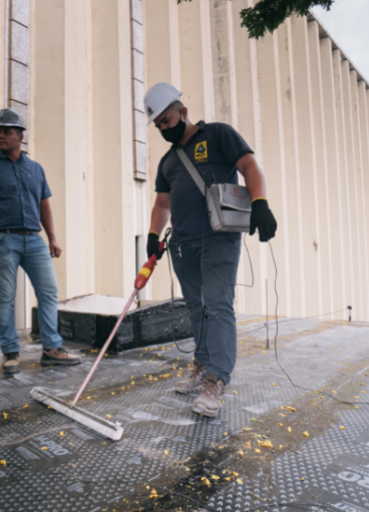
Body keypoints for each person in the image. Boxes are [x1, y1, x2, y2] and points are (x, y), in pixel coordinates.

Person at [144, 83, 277, 417]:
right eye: (158, 124)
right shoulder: (167, 161)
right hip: (183, 245)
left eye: (167, 120)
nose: (163, 128)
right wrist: (152, 235)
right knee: (196, 308)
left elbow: (249, 165)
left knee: (217, 306)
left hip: (219, 238)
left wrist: (260, 202)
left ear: (183, 112)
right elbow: (163, 202)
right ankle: (202, 365)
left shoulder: (218, 134)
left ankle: (215, 381)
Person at [0, 108, 81, 374]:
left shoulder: (35, 169)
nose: (0, 136)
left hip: (34, 241)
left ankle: (52, 349)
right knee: (5, 296)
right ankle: (10, 351)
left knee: (49, 292)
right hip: (1, 240)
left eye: (6, 131)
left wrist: (52, 238)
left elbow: (44, 206)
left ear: (20, 135)